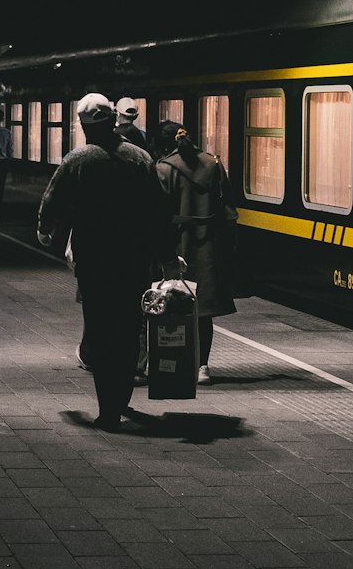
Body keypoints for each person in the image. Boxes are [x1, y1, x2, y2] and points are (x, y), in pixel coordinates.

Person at [37, 93, 184, 432]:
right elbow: (158, 213)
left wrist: (46, 232)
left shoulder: (77, 160)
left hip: (94, 262)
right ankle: (120, 398)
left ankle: (109, 409)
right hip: (134, 261)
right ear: (113, 120)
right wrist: (168, 261)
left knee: (101, 330)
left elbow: (51, 202)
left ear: (82, 124)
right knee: (129, 331)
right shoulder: (140, 159)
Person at [153, 121, 238, 384]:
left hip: (176, 244)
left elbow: (156, 213)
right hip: (207, 244)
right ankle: (203, 366)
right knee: (203, 310)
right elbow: (228, 209)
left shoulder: (164, 169)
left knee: (170, 303)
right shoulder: (213, 164)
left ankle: (172, 362)